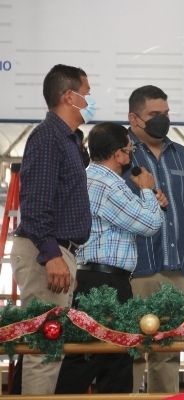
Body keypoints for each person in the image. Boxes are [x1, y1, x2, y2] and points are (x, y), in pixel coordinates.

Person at [55, 122, 166, 393]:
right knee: (100, 359)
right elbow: (149, 225)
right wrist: (149, 191)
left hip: (95, 276)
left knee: (98, 356)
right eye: (129, 151)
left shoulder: (91, 177)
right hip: (105, 282)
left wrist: (148, 200)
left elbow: (139, 218)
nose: (131, 158)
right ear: (118, 154)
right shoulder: (107, 184)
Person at [124, 85, 184, 393]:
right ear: (134, 118)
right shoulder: (119, 154)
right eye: (154, 115)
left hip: (179, 271)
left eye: (166, 114)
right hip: (132, 271)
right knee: (131, 352)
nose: (162, 120)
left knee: (168, 354)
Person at [10, 64, 93, 394]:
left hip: (59, 250)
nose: (89, 100)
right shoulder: (47, 138)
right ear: (67, 96)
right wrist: (51, 255)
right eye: (86, 94)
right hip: (46, 251)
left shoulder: (68, 140)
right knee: (45, 351)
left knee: (50, 351)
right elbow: (35, 204)